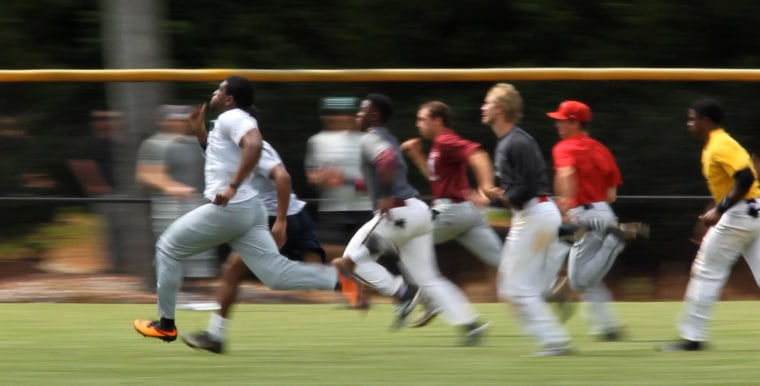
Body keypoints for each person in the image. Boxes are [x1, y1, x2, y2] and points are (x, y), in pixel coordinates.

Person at [133, 75, 359, 349]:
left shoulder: (234, 117)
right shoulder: (224, 125)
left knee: (168, 247)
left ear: (229, 99)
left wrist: (232, 187)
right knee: (275, 275)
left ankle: (165, 325)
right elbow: (222, 158)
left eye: (219, 90)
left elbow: (253, 144)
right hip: (250, 209)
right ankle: (338, 279)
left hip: (233, 206)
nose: (214, 93)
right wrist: (201, 132)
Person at [331, 93, 488, 345]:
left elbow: (388, 161)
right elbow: (381, 174)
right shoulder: (388, 138)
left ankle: (403, 292)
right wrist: (348, 181)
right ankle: (470, 324)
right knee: (429, 278)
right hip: (418, 213)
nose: (357, 116)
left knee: (349, 261)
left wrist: (385, 195)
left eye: (362, 111)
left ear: (374, 115)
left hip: (398, 212)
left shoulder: (371, 137)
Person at [181, 140, 327, 353]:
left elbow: (283, 177)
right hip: (289, 215)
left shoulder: (254, 147)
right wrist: (200, 133)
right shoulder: (234, 145)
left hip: (277, 217)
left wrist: (281, 221)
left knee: (232, 269)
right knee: (318, 272)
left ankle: (215, 336)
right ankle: (360, 272)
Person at [480, 83, 573, 356]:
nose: (482, 108)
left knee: (516, 288)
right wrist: (499, 198)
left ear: (498, 110)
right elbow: (521, 190)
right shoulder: (510, 141)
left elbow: (526, 188)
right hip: (534, 214)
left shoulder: (516, 141)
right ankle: (549, 304)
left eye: (487, 103)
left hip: (535, 213)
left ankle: (555, 341)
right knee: (511, 287)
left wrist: (495, 198)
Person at [660, 99, 760, 351]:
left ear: (706, 121)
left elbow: (746, 178)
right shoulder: (719, 143)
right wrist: (716, 208)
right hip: (753, 211)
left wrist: (721, 209)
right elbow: (736, 182)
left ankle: (692, 337)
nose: (689, 123)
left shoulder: (719, 144)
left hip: (741, 214)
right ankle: (692, 335)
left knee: (706, 270)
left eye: (692, 118)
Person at [545, 100, 648, 341]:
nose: (558, 124)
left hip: (581, 215)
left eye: (562, 120)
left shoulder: (564, 147)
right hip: (603, 213)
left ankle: (614, 240)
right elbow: (611, 195)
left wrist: (565, 205)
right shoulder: (602, 149)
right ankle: (606, 326)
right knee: (587, 275)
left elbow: (567, 173)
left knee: (580, 281)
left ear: (575, 123)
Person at [400, 101, 502, 327]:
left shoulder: (446, 141)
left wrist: (485, 185)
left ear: (437, 120)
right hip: (467, 213)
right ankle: (550, 285)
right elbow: (436, 179)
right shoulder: (439, 146)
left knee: (407, 244)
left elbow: (477, 154)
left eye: (422, 119)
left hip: (452, 212)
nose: (418, 124)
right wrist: (417, 154)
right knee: (504, 262)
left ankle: (433, 300)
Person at [136, 105, 217, 278]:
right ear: (163, 121)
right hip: (170, 205)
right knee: (173, 246)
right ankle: (175, 291)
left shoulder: (196, 142)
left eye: (182, 119)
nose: (179, 123)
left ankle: (197, 292)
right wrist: (170, 187)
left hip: (199, 203)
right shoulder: (155, 143)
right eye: (173, 119)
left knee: (200, 251)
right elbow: (147, 173)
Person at [304, 97, 374, 246]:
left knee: (362, 259)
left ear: (356, 116)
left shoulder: (369, 140)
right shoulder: (316, 141)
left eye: (347, 113)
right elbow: (311, 176)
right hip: (332, 211)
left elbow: (381, 181)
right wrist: (319, 179)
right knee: (330, 256)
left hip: (364, 209)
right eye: (333, 113)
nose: (340, 117)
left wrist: (346, 181)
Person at [68, 110, 126, 272]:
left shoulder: (125, 142)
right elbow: (78, 163)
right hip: (108, 194)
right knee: (112, 230)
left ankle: (131, 265)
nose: (107, 122)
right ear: (95, 123)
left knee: (130, 229)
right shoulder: (90, 143)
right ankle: (115, 266)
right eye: (101, 119)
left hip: (129, 192)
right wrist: (94, 184)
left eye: (111, 119)